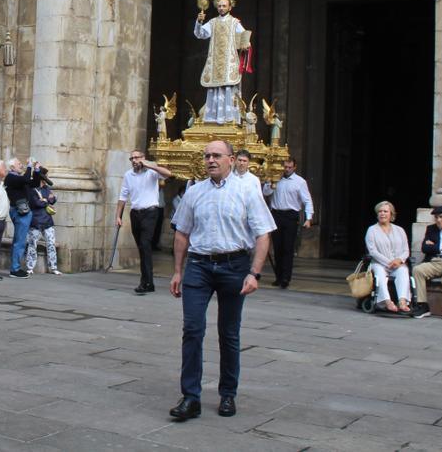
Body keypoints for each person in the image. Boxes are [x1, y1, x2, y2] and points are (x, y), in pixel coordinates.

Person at [168, 140, 274, 421]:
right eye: (207, 156)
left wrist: (254, 273)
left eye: (217, 155)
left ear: (231, 159)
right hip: (199, 266)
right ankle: (191, 397)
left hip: (234, 265)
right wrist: (178, 271)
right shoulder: (194, 192)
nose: (211, 160)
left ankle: (228, 393)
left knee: (229, 332)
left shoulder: (247, 191)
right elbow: (181, 233)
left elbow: (263, 234)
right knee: (192, 329)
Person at [116, 150, 171, 295]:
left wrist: (150, 165)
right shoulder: (129, 175)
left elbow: (167, 174)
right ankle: (149, 282)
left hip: (150, 212)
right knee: (141, 247)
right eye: (132, 158)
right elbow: (123, 196)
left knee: (145, 244)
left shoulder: (152, 173)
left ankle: (144, 282)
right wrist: (118, 216)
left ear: (143, 158)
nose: (134, 160)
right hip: (135, 213)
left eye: (137, 158)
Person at [193, 0, 251, 124]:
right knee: (214, 89)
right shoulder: (212, 22)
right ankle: (212, 119)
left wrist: (246, 43)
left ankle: (230, 120)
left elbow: (244, 37)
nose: (221, 8)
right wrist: (199, 21)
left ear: (230, 7)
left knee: (229, 89)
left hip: (229, 63)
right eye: (219, 6)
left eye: (224, 6)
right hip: (214, 63)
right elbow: (200, 34)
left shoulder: (235, 22)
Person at [261, 158, 313, 289]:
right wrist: (269, 183)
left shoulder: (300, 182)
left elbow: (307, 200)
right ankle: (278, 276)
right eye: (285, 167)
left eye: (289, 167)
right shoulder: (276, 178)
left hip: (290, 215)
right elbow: (266, 193)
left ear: (294, 167)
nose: (287, 169)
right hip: (276, 214)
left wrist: (308, 218)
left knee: (288, 248)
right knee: (277, 248)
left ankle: (285, 277)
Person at [364, 201, 412, 314]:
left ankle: (402, 301)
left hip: (397, 263)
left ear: (391, 214)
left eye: (385, 211)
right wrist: (389, 262)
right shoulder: (372, 230)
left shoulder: (400, 230)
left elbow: (406, 250)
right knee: (379, 272)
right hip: (379, 263)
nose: (382, 214)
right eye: (380, 211)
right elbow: (372, 251)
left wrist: (399, 260)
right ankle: (387, 301)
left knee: (403, 271)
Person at [5, 158, 36, 278]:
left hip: (24, 210)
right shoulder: (11, 177)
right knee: (20, 241)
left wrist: (36, 170)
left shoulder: (18, 178)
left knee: (19, 240)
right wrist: (29, 166)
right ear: (12, 167)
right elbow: (26, 179)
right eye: (19, 164)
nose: (21, 165)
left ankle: (15, 266)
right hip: (20, 211)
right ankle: (15, 269)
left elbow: (34, 183)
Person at [25, 170, 60, 275]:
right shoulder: (32, 189)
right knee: (32, 244)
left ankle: (53, 267)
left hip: (47, 220)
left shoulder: (46, 188)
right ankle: (30, 267)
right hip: (36, 221)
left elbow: (52, 200)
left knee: (51, 244)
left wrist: (48, 200)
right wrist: (45, 201)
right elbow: (35, 203)